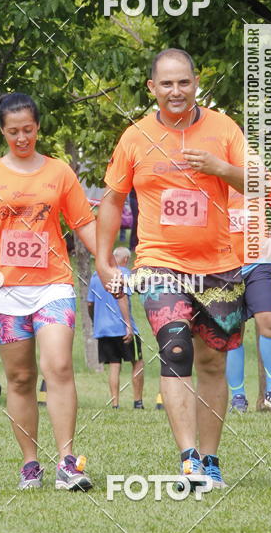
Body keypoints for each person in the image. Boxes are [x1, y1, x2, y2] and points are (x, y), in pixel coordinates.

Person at [96, 48, 247, 490]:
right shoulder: (135, 137)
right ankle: (189, 460)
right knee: (175, 349)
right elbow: (111, 200)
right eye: (166, 84)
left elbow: (260, 184)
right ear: (152, 88)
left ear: (196, 81)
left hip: (219, 266)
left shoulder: (223, 129)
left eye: (183, 82)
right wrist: (105, 261)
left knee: (213, 363)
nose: (176, 91)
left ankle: (212, 458)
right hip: (160, 263)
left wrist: (221, 168)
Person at [0, 92, 97, 492]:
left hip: (52, 284)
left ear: (38, 128)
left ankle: (68, 461)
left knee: (59, 368)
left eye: (28, 130)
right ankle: (30, 463)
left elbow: (84, 222)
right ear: (3, 131)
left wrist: (107, 260)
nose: (21, 138)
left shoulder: (59, 173)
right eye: (13, 131)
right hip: (3, 290)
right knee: (19, 378)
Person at [225, 188, 271, 413]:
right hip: (223, 265)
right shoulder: (212, 172)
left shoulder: (257, 174)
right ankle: (237, 397)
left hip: (259, 263)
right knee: (231, 331)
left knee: (270, 321)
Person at [87, 247, 144, 409]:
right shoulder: (124, 274)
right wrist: (128, 325)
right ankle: (138, 402)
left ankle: (115, 404)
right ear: (125, 260)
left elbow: (90, 303)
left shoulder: (95, 276)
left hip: (103, 328)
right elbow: (122, 297)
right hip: (122, 327)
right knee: (137, 362)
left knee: (114, 364)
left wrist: (94, 320)